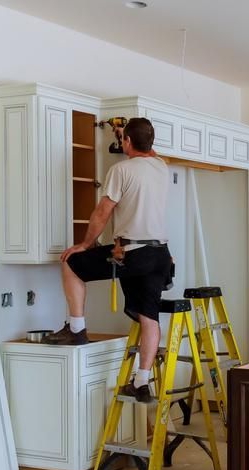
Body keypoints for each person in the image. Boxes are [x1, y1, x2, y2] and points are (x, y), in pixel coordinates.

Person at [45, 117, 171, 403]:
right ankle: (141, 383)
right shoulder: (161, 167)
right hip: (159, 254)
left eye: (124, 139)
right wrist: (125, 134)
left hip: (132, 252)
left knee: (71, 263)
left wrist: (85, 244)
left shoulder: (121, 170)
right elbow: (146, 150)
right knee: (149, 318)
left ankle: (76, 329)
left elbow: (103, 212)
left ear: (127, 142)